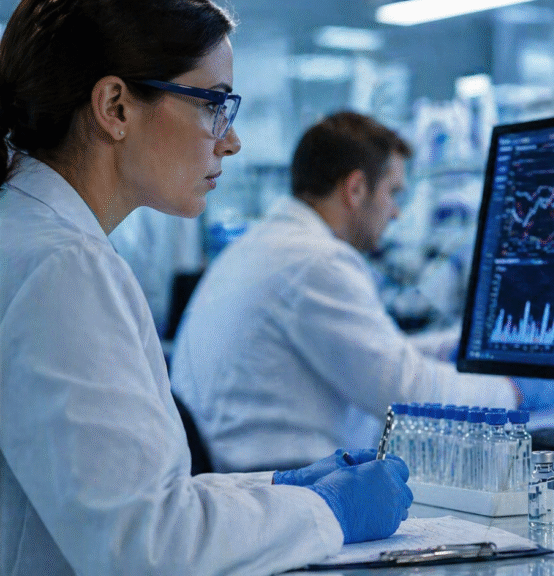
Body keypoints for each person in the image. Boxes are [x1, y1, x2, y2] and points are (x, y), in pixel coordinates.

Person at [0, 2, 411, 575]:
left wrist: (277, 488)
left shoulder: (32, 233)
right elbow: (146, 547)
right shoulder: (62, 266)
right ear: (115, 107)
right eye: (214, 104)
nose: (231, 140)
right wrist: (328, 511)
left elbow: (123, 497)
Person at [170, 111, 519, 473]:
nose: (396, 213)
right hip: (279, 484)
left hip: (249, 475)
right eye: (393, 193)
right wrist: (513, 391)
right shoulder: (315, 261)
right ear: (355, 189)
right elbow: (405, 390)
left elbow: (374, 352)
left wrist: (450, 346)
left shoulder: (271, 244)